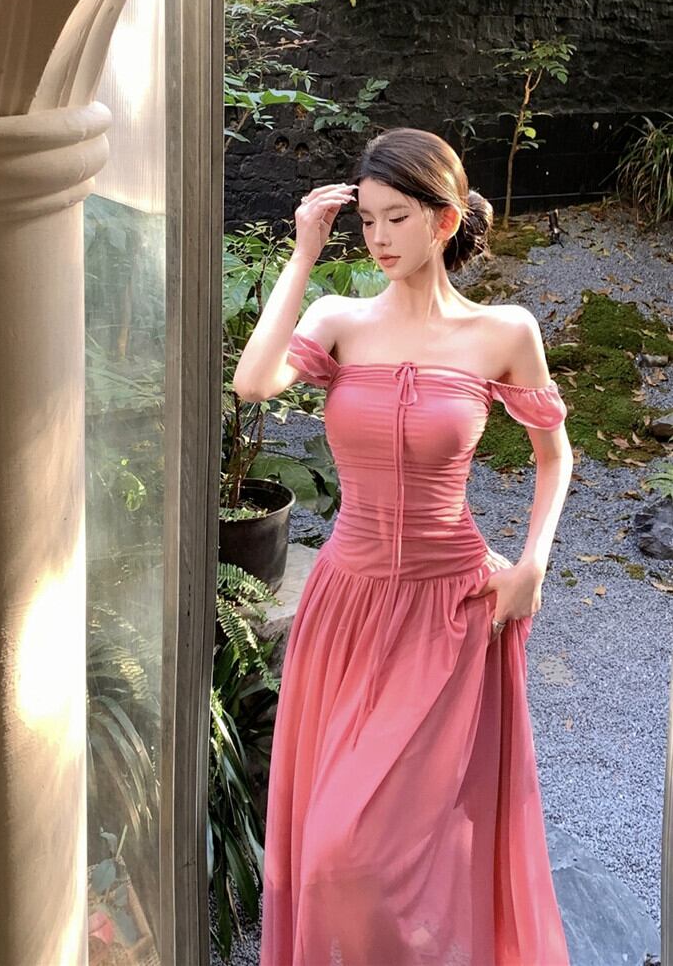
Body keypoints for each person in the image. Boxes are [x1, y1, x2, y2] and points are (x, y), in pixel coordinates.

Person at [234, 127, 573, 966]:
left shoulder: (504, 332)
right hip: (345, 608)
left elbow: (554, 455)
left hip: (450, 610)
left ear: (444, 220)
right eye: (367, 220)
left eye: (396, 218)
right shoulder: (339, 320)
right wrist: (303, 253)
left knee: (387, 848)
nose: (378, 238)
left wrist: (533, 563)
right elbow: (253, 381)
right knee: (333, 856)